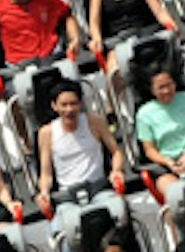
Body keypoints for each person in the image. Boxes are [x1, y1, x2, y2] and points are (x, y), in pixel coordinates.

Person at [36, 79, 126, 209]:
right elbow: (46, 173)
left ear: (80, 104)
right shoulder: (47, 133)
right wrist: (44, 192)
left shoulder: (95, 122)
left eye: (73, 104)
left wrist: (116, 170)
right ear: (54, 106)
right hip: (67, 196)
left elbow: (116, 152)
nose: (69, 109)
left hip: (98, 188)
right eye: (64, 105)